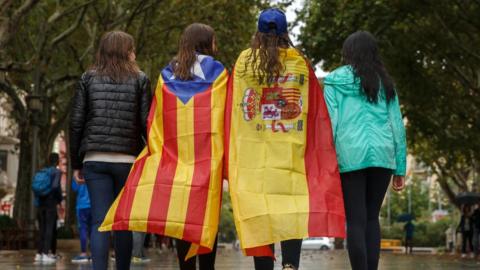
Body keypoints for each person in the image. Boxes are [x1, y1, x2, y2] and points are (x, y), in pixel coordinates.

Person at [99, 23, 227, 270]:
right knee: (205, 215)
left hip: (175, 157)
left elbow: (156, 116)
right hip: (207, 156)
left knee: (181, 216)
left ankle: (185, 267)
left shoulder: (168, 73)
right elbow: (224, 111)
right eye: (214, 40)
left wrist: (157, 151)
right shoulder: (219, 72)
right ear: (207, 43)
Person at [226, 8, 345, 270]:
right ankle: (290, 265)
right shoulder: (299, 62)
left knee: (260, 215)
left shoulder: (244, 61)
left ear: (257, 32)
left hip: (253, 158)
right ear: (285, 33)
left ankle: (264, 267)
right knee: (291, 211)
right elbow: (314, 110)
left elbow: (233, 107)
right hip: (291, 156)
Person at [323, 31, 407, 270]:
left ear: (347, 52)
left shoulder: (334, 81)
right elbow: (397, 126)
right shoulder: (386, 83)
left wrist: (327, 163)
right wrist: (399, 167)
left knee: (356, 221)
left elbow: (331, 122)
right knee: (372, 218)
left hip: (349, 155)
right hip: (383, 156)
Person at [69, 30, 151, 270]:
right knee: (122, 221)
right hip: (127, 160)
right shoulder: (140, 79)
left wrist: (76, 163)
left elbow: (76, 123)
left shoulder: (88, 78)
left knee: (99, 221)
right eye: (132, 48)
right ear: (126, 51)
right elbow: (147, 121)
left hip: (95, 158)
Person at [33, 153, 62, 263]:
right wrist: (59, 200)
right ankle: (46, 253)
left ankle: (39, 253)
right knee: (50, 228)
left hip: (40, 203)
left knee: (42, 229)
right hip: (50, 203)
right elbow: (55, 187)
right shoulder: (56, 172)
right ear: (57, 161)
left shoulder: (42, 171)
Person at [71, 177, 92, 263]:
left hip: (81, 206)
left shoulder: (78, 175)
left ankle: (83, 253)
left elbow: (74, 188)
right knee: (93, 230)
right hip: (92, 206)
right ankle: (93, 254)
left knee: (83, 229)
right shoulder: (94, 173)